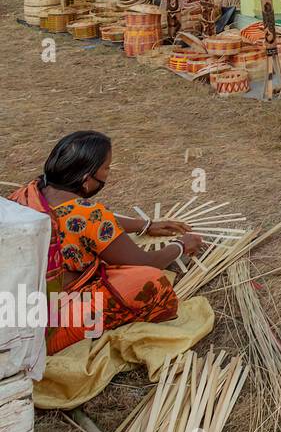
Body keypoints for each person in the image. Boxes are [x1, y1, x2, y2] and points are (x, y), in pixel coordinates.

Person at [8, 132, 204, 354]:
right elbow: (146, 261)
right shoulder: (88, 215)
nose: (108, 174)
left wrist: (144, 225)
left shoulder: (27, 194)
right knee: (148, 283)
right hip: (45, 326)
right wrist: (180, 245)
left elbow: (88, 219)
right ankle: (71, 335)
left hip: (11, 303)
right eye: (107, 168)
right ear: (86, 178)